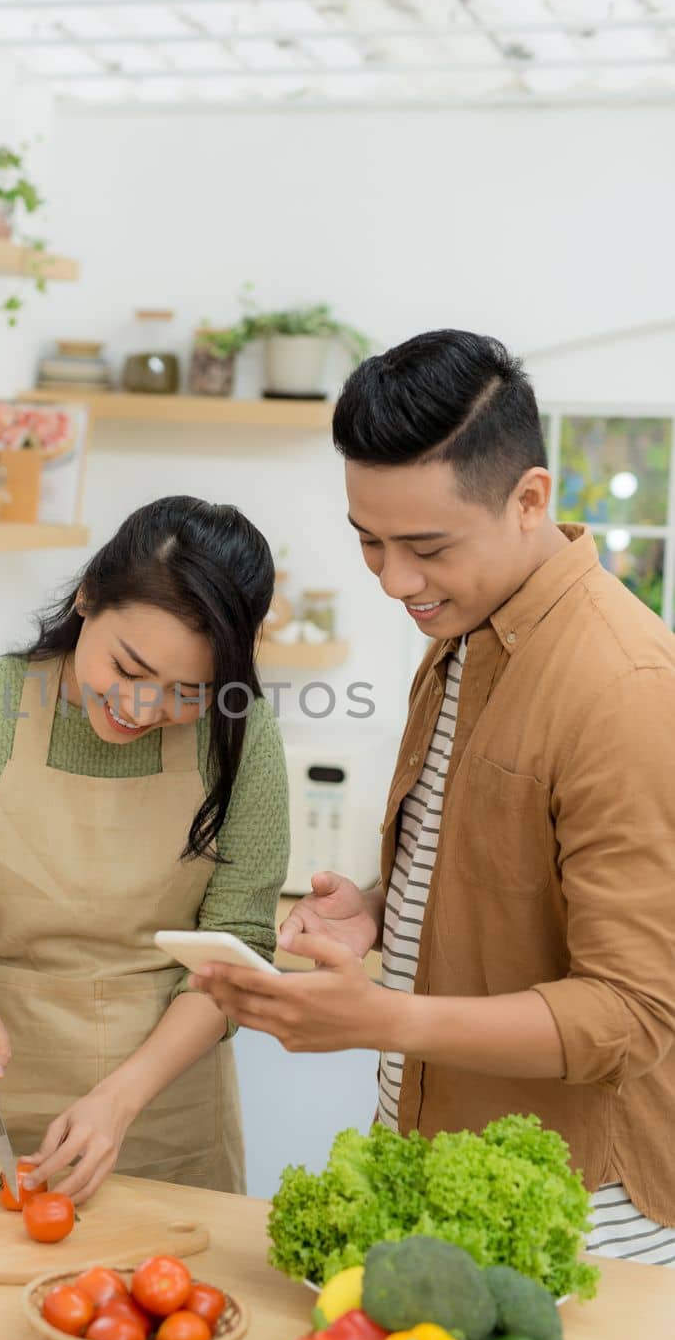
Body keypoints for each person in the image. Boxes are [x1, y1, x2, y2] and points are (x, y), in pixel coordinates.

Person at [191, 330, 675, 1263]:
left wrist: (384, 1017)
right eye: (369, 542)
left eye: (425, 546)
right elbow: (519, 866)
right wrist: (384, 911)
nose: (395, 581)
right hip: (445, 1167)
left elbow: (631, 1014)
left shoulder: (625, 687)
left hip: (584, 1217)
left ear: (529, 499)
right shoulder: (463, 632)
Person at [0, 495, 289, 1203]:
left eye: (187, 692)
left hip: (170, 1127)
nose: (141, 709)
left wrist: (119, 1102)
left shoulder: (242, 739)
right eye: (128, 669)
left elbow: (235, 951)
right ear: (88, 597)